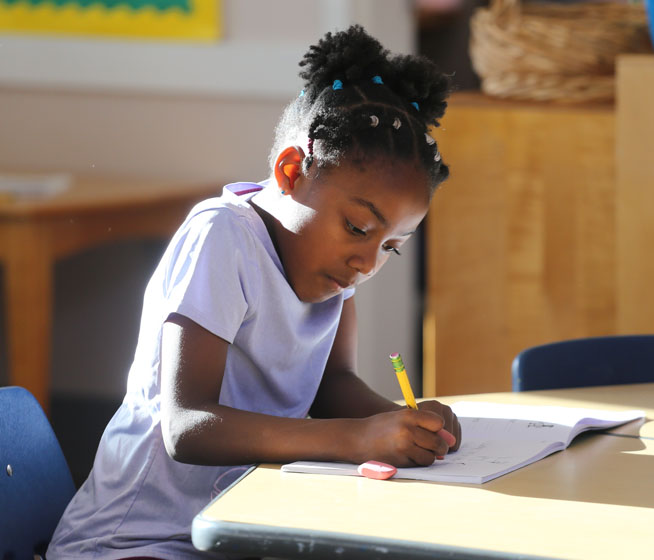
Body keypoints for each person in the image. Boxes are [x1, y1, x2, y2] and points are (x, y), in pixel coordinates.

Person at [48, 25, 462, 559]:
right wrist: (358, 438)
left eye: (393, 247)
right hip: (135, 540)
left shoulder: (333, 266)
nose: (368, 261)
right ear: (291, 171)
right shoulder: (223, 237)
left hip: (235, 528)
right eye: (360, 228)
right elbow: (186, 426)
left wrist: (404, 425)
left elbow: (329, 385)